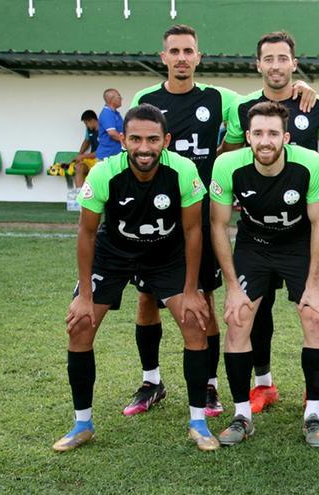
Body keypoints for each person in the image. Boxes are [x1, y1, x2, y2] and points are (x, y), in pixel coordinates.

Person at [53, 103, 218, 452]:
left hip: (166, 255)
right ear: (123, 140)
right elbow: (86, 233)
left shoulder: (184, 171)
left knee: (194, 322)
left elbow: (192, 232)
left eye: (153, 139)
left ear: (166, 140)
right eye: (136, 139)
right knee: (80, 325)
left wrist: (191, 290)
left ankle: (198, 422)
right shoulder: (103, 173)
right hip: (113, 254)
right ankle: (82, 424)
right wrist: (84, 295)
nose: (145, 148)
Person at [126, 24, 239, 419]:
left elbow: (261, 102)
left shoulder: (217, 98)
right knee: (146, 298)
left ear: (198, 57)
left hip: (200, 214)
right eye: (174, 51)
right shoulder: (146, 99)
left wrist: (301, 88)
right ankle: (152, 381)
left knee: (203, 298)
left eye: (188, 51)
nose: (181, 58)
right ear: (163, 57)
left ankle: (208, 386)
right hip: (154, 217)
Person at [220, 31, 319, 414]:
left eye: (282, 58)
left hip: (300, 236)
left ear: (293, 63)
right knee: (251, 313)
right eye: (268, 58)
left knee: (314, 311)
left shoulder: (313, 103)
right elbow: (231, 156)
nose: (276, 65)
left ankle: (313, 401)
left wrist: (318, 183)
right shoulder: (242, 109)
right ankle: (261, 386)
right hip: (255, 238)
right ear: (258, 64)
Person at [210, 102, 319, 447]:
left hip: (299, 244)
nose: (266, 141)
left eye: (273, 133)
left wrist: (313, 285)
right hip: (254, 246)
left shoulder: (309, 163)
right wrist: (232, 287)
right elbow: (218, 226)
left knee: (314, 317)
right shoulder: (227, 165)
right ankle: (242, 415)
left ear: (286, 137)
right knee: (238, 318)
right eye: (258, 133)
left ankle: (313, 415)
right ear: (247, 136)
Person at [72, 110, 99, 188]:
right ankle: (80, 195)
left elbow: (100, 152)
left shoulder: (103, 131)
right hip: (91, 159)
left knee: (96, 173)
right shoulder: (89, 129)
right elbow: (86, 141)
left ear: (92, 120)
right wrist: (80, 154)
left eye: (86, 123)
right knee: (78, 167)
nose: (86, 126)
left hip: (101, 160)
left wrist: (82, 156)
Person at [95, 89, 123, 160]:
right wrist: (127, 142)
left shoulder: (115, 113)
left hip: (114, 155)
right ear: (111, 99)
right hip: (107, 156)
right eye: (119, 96)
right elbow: (112, 134)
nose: (121, 98)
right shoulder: (107, 114)